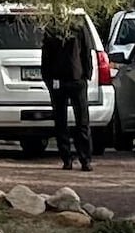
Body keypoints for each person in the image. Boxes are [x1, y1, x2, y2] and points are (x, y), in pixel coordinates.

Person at [37, 12, 95, 172]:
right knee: (60, 121)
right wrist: (48, 79)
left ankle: (85, 159)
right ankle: (66, 158)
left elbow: (86, 51)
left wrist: (86, 75)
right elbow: (46, 56)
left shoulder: (79, 27)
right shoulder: (51, 29)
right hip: (57, 81)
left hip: (77, 80)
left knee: (82, 121)